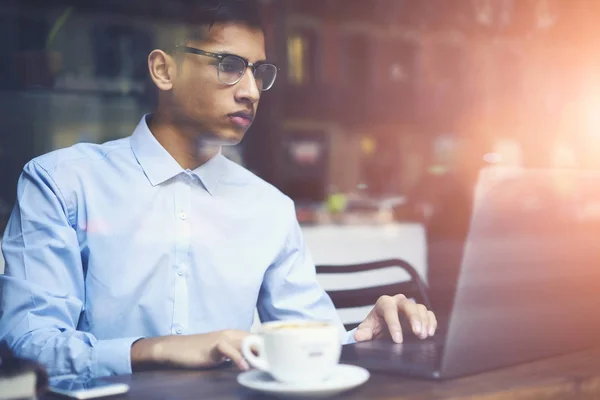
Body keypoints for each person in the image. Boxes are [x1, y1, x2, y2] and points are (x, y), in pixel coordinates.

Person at [0, 0, 437, 379]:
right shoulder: (62, 182)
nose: (250, 91)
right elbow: (29, 345)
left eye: (259, 72)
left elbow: (310, 339)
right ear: (163, 69)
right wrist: (155, 350)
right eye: (229, 66)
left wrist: (366, 333)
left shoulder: (269, 208)